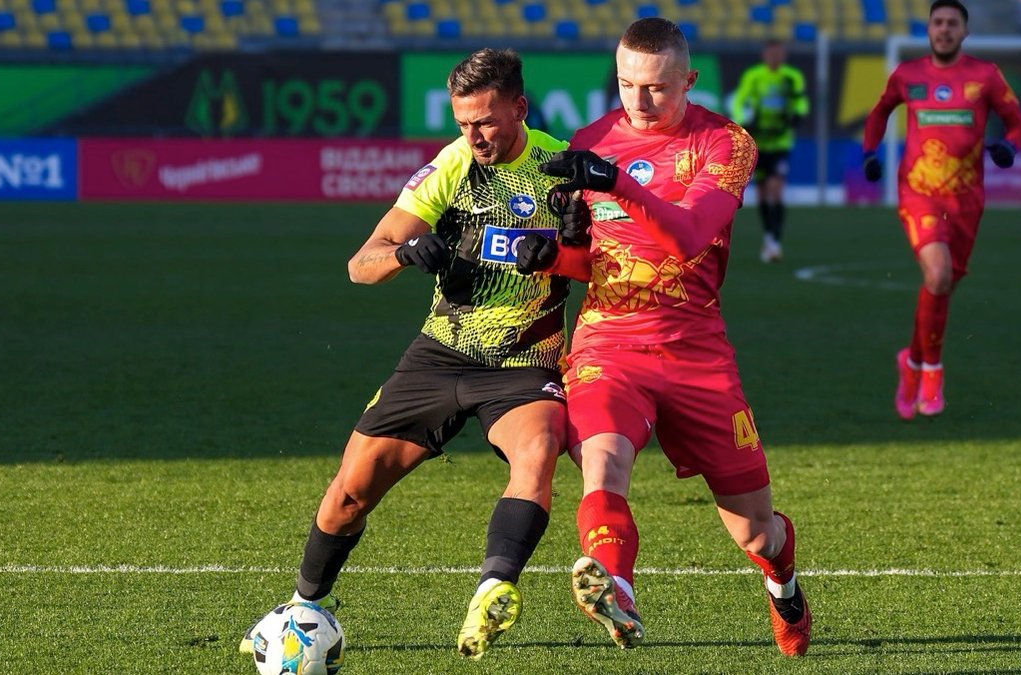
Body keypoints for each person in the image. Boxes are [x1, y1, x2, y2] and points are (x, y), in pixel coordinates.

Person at [240, 47, 573, 661]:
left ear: (520, 109)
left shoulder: (562, 167)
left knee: (537, 452)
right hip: (439, 356)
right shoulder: (451, 166)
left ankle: (493, 589)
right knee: (347, 495)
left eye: (485, 121)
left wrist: (564, 254)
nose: (473, 136)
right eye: (463, 123)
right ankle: (302, 608)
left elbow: (611, 261)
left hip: (524, 361)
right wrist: (404, 254)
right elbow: (359, 265)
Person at [517, 17, 811, 657]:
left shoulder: (725, 143)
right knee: (603, 465)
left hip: (696, 351)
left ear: (689, 80)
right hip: (608, 345)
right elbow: (589, 258)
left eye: (655, 87)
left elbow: (690, 237)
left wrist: (615, 182)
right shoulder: (592, 140)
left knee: (756, 532)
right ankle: (615, 587)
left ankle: (783, 583)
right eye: (626, 84)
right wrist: (554, 254)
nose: (639, 100)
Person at [861, 0, 1021, 420]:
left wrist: (1009, 148)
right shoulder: (908, 75)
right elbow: (879, 113)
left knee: (943, 286)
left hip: (967, 200)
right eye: (938, 22)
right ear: (929, 29)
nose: (945, 29)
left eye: (953, 23)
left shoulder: (985, 76)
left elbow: (1018, 124)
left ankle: (911, 359)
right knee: (937, 275)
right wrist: (869, 152)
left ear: (964, 32)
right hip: (918, 193)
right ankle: (931, 373)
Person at [730, 39, 809, 263]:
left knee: (776, 189)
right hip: (759, 143)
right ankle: (769, 236)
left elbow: (800, 101)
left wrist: (797, 116)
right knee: (763, 193)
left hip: (780, 142)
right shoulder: (754, 76)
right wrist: (744, 120)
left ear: (783, 55)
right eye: (772, 53)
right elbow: (739, 101)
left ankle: (775, 240)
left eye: (779, 53)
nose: (775, 57)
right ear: (765, 55)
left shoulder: (792, 77)